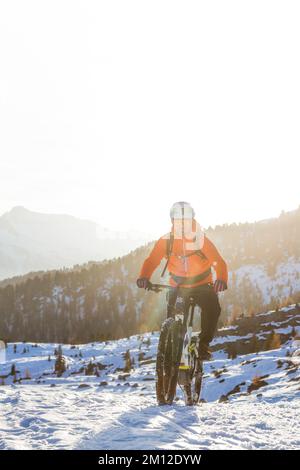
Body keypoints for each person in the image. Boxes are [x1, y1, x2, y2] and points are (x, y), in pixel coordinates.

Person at [136, 201, 228, 360]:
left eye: (186, 220)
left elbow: (218, 261)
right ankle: (172, 352)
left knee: (212, 309)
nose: (183, 224)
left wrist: (221, 279)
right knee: (173, 321)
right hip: (177, 286)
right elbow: (152, 260)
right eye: (179, 221)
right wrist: (144, 276)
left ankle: (203, 345)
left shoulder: (201, 240)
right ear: (173, 221)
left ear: (192, 220)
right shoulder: (166, 241)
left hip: (202, 284)